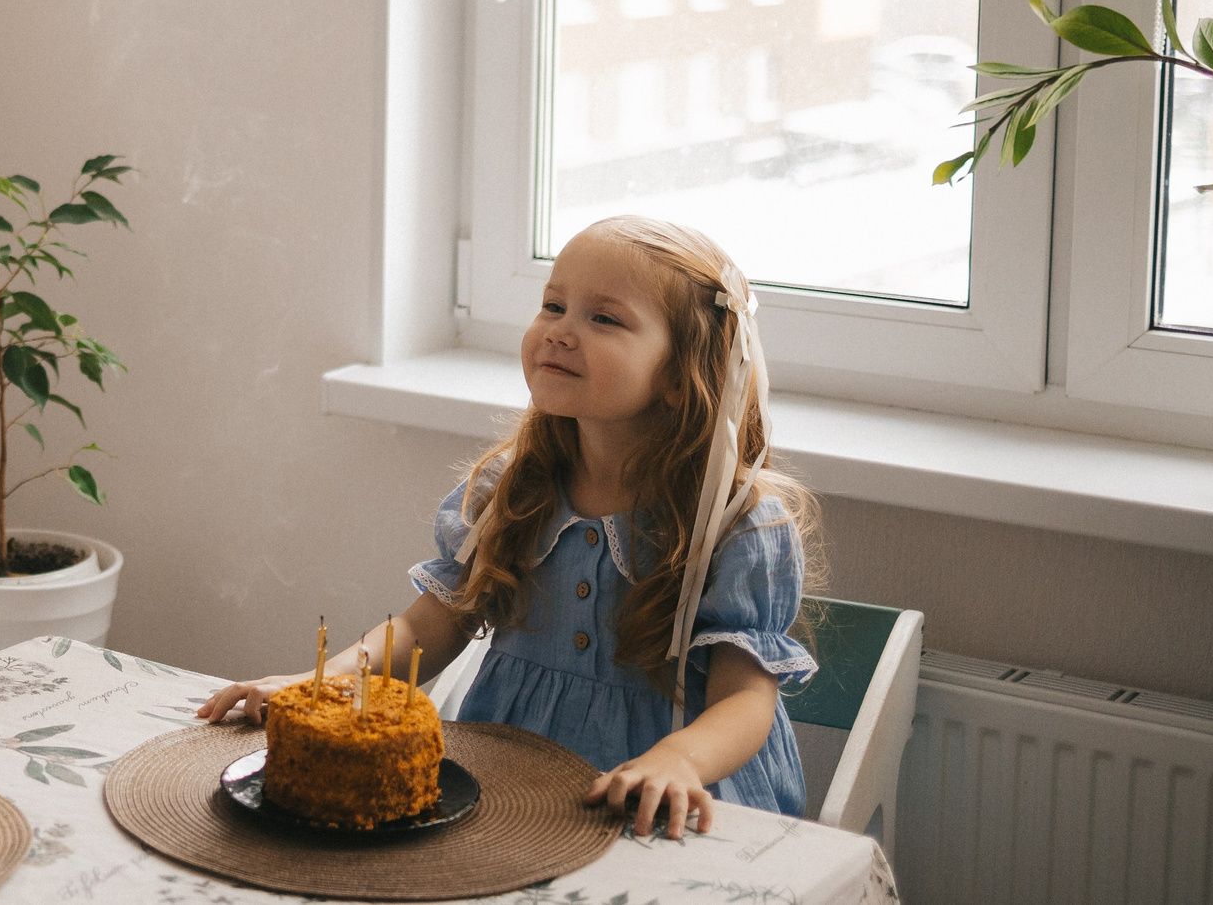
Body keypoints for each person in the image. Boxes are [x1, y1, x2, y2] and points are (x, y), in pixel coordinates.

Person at [199, 216, 816, 840]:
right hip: (511, 783)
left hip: (670, 802)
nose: (560, 332)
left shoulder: (736, 525)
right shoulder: (512, 492)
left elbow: (746, 701)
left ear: (683, 374)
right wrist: (324, 682)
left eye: (603, 318)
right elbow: (426, 628)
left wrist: (678, 761)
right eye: (553, 305)